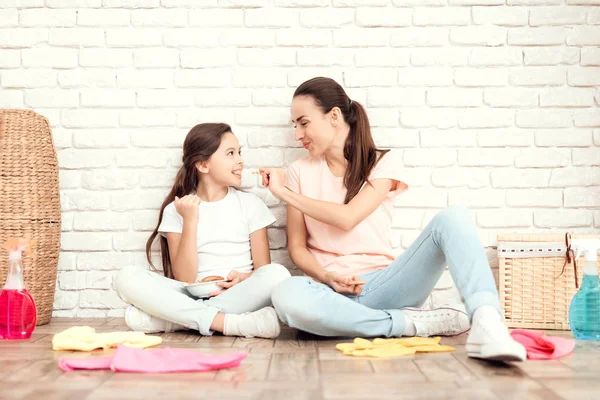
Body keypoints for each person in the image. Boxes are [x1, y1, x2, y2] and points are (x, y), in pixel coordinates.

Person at [259, 77, 526, 361]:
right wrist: (327, 277)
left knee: (454, 217)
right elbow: (297, 249)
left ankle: (487, 322)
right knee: (286, 291)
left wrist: (282, 192)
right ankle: (408, 324)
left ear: (334, 116)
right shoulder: (300, 170)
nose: (297, 134)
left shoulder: (381, 163)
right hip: (331, 293)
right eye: (294, 125)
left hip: (386, 285)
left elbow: (348, 218)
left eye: (303, 122)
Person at [115, 123, 290, 339]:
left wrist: (241, 278)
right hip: (189, 295)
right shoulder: (177, 210)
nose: (240, 160)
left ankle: (175, 321)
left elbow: (263, 270)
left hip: (236, 294)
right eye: (230, 153)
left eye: (239, 152)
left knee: (279, 275)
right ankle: (230, 323)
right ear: (203, 165)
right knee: (126, 277)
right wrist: (190, 220)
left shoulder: (251, 205)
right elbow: (184, 277)